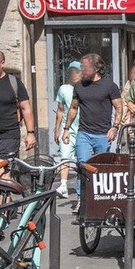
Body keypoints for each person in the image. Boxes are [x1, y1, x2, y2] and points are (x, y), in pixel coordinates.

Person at [63, 53, 123, 196]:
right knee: (83, 165)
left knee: (101, 167)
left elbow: (119, 107)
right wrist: (66, 129)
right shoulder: (79, 86)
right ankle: (82, 198)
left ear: (96, 68)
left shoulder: (110, 86)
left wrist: (115, 127)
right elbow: (73, 108)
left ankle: (100, 197)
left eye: (85, 67)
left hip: (103, 134)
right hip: (84, 133)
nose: (82, 70)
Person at [53, 61, 82, 197]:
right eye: (71, 71)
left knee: (81, 159)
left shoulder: (85, 88)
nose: (73, 74)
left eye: (76, 71)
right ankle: (63, 185)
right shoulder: (63, 89)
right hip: (67, 130)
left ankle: (81, 186)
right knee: (65, 156)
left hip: (82, 129)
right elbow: (60, 110)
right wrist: (57, 129)